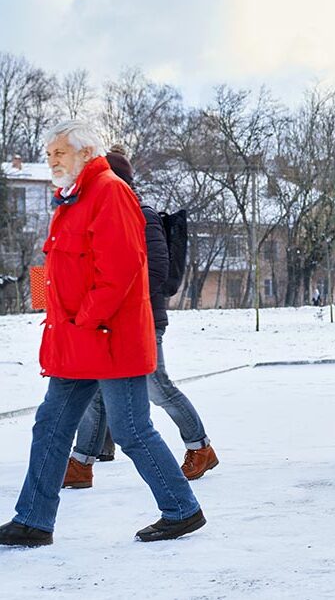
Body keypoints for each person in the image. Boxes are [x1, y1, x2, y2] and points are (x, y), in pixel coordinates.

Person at [0, 120, 204, 547]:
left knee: (130, 429)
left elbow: (122, 270)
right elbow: (59, 273)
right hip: (77, 342)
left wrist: (86, 320)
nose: (52, 160)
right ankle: (33, 521)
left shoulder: (109, 192)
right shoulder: (70, 199)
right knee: (51, 426)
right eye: (50, 153)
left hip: (111, 338)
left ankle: (181, 509)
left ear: (86, 152)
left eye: (60, 152)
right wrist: (65, 326)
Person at [62, 150, 218, 490]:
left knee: (156, 387)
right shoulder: (110, 213)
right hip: (113, 320)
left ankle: (200, 447)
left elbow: (158, 271)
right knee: (97, 391)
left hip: (143, 320)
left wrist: (115, 293)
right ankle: (81, 463)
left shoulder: (141, 214)